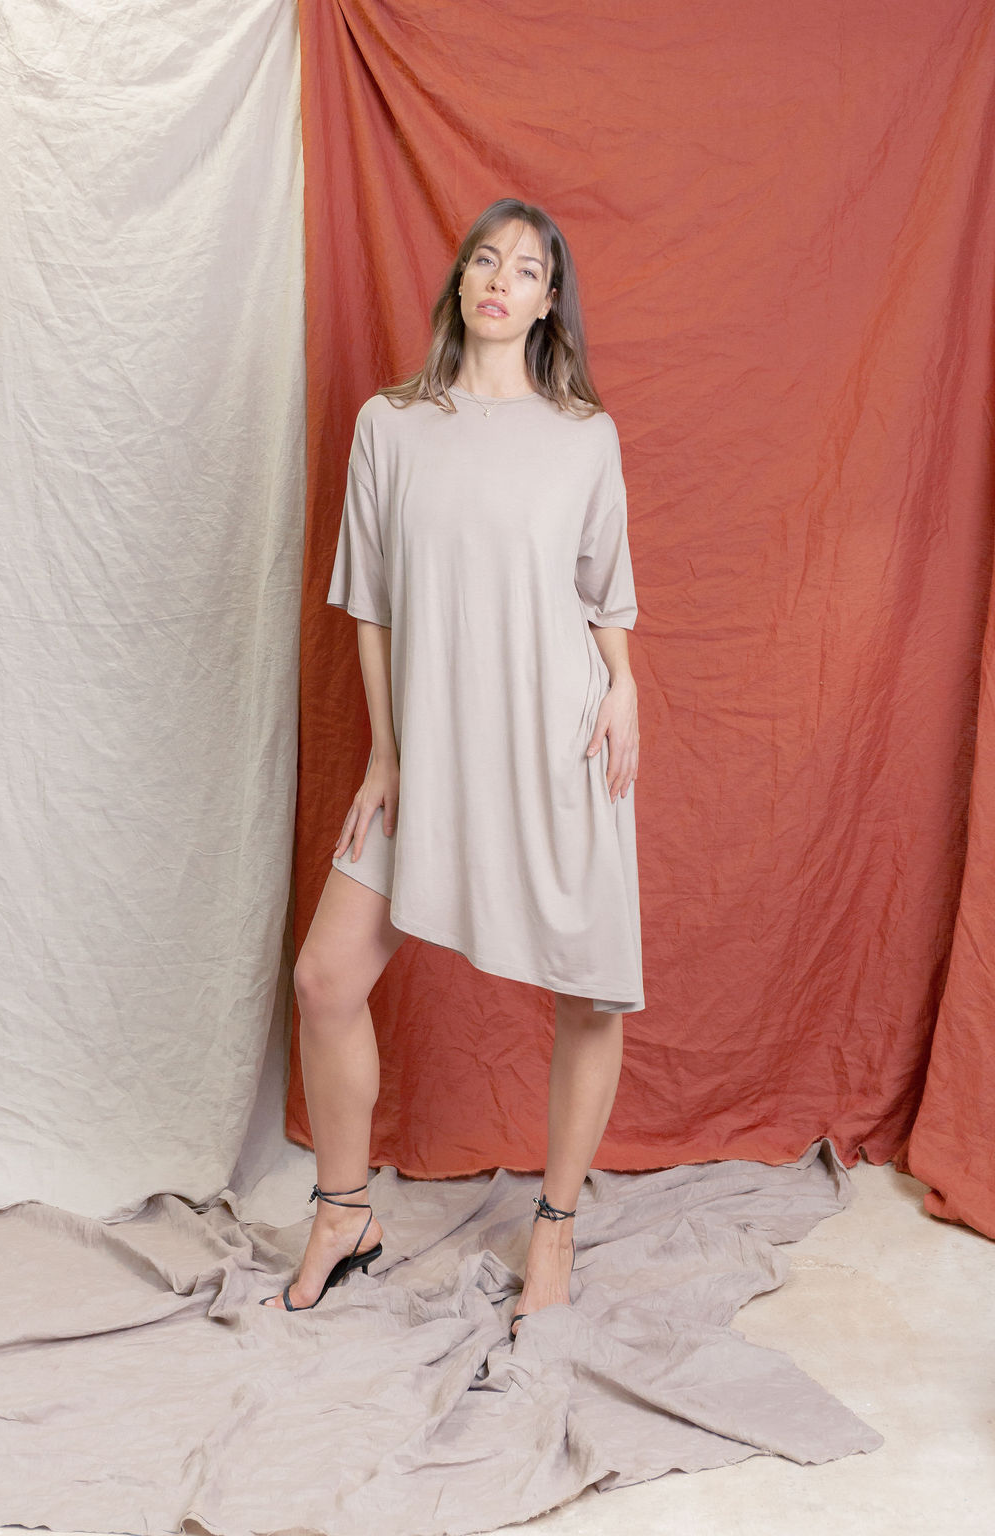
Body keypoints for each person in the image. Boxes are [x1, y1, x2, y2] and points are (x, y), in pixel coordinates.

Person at [261, 198, 643, 1338]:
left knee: (591, 988)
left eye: (525, 270)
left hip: (558, 740)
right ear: (462, 284)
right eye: (485, 260)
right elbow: (372, 607)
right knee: (326, 980)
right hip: (431, 752)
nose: (499, 280)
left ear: (547, 304)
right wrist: (386, 756)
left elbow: (603, 590)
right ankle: (343, 1215)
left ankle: (555, 1227)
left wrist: (624, 683)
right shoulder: (390, 425)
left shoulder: (583, 436)